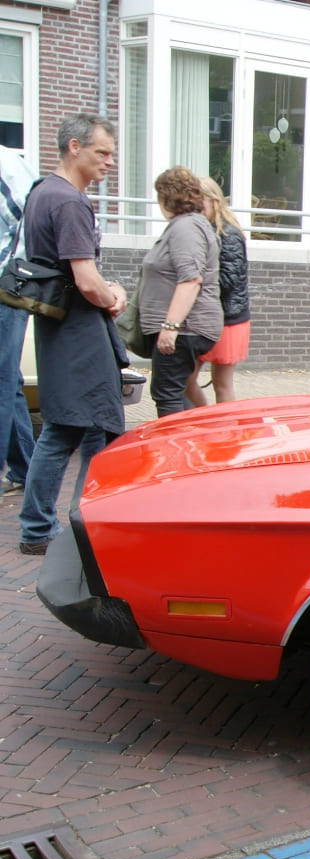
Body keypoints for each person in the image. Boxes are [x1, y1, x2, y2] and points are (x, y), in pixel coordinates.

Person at [18, 114, 129, 555]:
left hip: (56, 326)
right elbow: (86, 279)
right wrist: (113, 295)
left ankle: (36, 527)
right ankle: (88, 530)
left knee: (62, 428)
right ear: (74, 147)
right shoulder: (69, 202)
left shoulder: (41, 192)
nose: (109, 162)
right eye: (102, 152)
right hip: (80, 332)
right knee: (99, 431)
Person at [139, 167, 222, 417]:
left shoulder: (186, 228)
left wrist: (170, 327)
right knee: (177, 389)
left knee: (167, 393)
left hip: (185, 328)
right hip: (185, 328)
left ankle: (175, 452)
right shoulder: (189, 225)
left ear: (166, 197)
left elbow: (191, 280)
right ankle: (192, 444)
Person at [185, 176, 249, 406]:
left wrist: (194, 284)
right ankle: (211, 421)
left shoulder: (228, 234)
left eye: (200, 204)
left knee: (221, 384)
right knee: (188, 379)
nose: (196, 211)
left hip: (228, 319)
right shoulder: (208, 230)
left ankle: (222, 429)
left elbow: (228, 279)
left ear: (214, 200)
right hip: (215, 316)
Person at [0, 145, 37, 498]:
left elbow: (34, 216)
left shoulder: (6, 164)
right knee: (6, 381)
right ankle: (26, 467)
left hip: (4, 288)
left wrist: (13, 272)